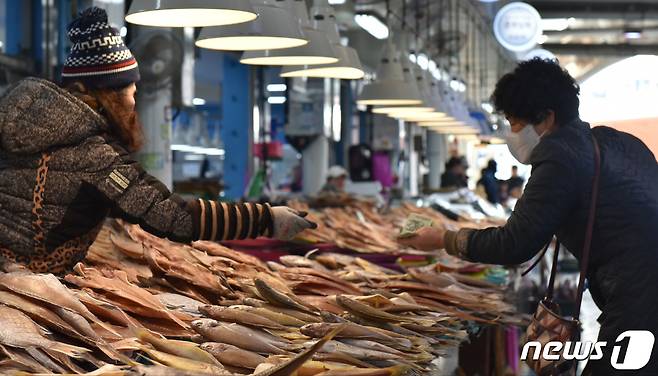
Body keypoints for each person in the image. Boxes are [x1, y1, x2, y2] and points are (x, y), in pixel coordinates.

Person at [0, 8, 314, 275]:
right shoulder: (94, 154)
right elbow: (171, 216)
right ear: (110, 93)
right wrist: (265, 219)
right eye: (130, 92)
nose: (134, 102)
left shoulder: (14, 122)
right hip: (34, 289)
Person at [400, 58, 658, 375]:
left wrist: (444, 238)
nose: (512, 133)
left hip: (641, 296)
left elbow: (515, 242)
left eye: (515, 123)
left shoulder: (559, 154)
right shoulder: (617, 142)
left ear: (547, 118)